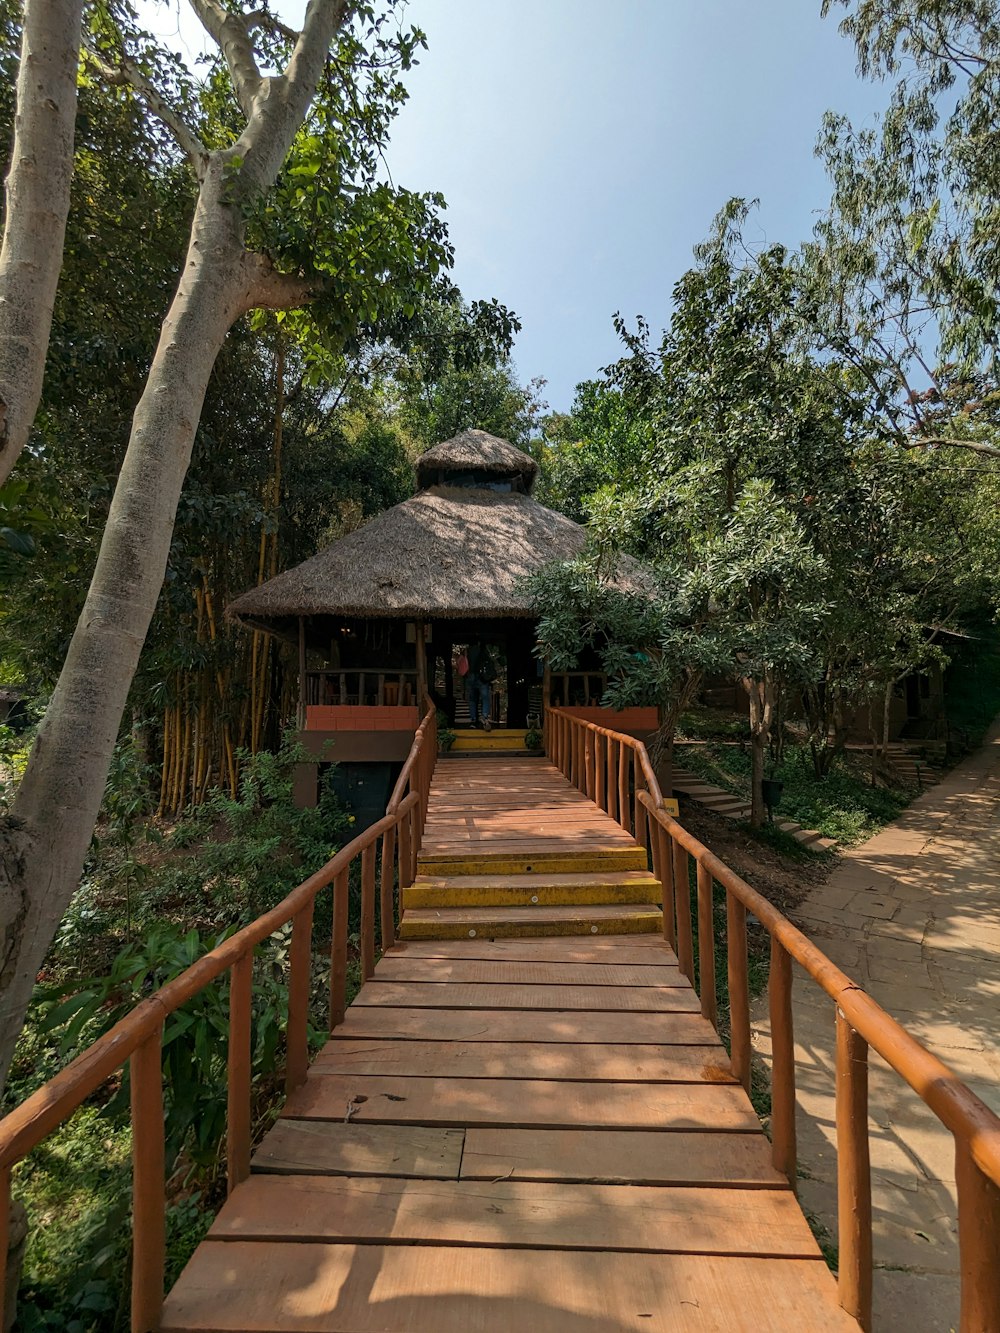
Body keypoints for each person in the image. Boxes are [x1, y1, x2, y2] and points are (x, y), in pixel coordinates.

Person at [465, 640, 496, 730]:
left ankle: (473, 720)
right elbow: (489, 663)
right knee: (485, 697)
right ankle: (484, 716)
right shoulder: (483, 650)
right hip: (482, 678)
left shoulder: (467, 651)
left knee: (473, 700)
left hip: (471, 676)